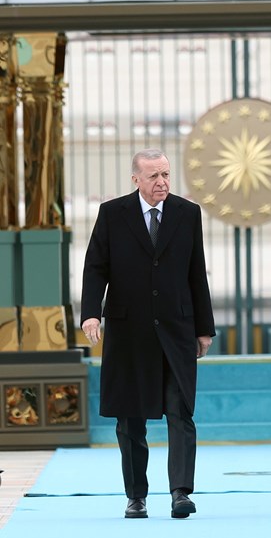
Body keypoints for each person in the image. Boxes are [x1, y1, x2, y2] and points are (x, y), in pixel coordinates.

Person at [80, 149, 215, 520]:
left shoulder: (187, 213)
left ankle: (180, 493)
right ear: (135, 178)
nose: (162, 183)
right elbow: (96, 267)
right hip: (128, 331)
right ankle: (136, 496)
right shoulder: (113, 214)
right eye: (154, 176)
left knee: (180, 412)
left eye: (166, 174)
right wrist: (91, 312)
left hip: (177, 329)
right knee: (130, 419)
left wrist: (204, 328)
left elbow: (196, 272)